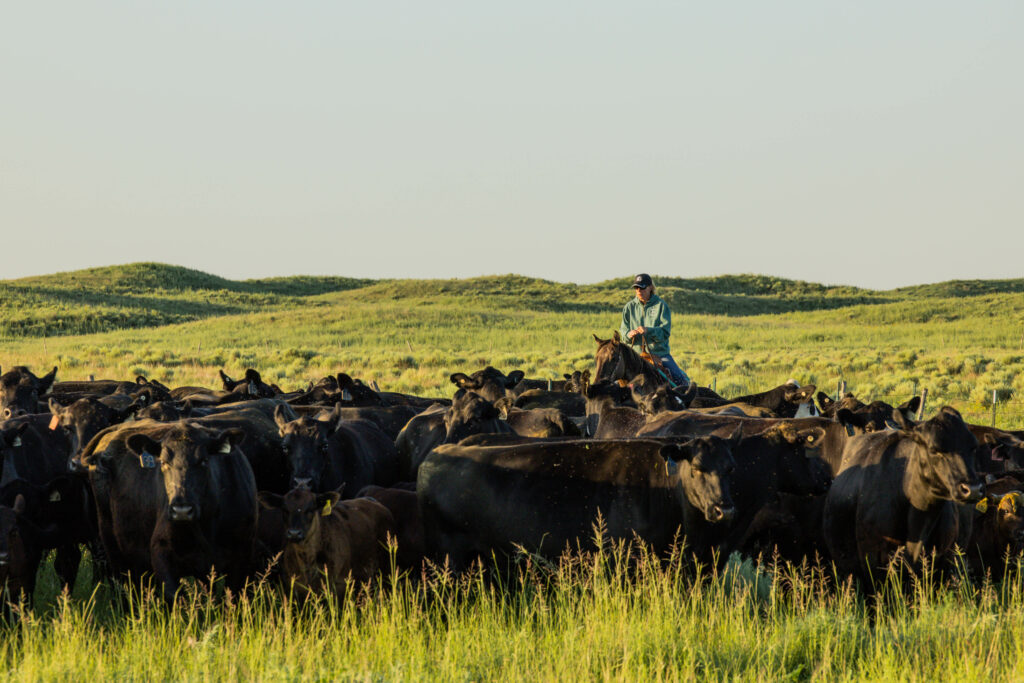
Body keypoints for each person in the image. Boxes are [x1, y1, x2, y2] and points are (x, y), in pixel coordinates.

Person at [619, 273, 690, 386]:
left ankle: (687, 400)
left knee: (681, 382)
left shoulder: (661, 306)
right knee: (615, 382)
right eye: (636, 288)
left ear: (650, 287)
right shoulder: (628, 308)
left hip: (660, 354)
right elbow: (623, 332)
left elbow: (665, 332)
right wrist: (628, 334)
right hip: (635, 356)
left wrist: (649, 331)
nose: (639, 291)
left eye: (642, 287)